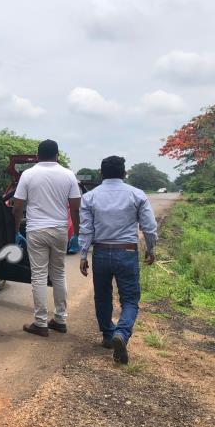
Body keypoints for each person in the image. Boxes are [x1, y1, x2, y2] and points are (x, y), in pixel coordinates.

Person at [78, 156, 157, 365]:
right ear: (125, 173)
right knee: (130, 299)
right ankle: (121, 333)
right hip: (127, 252)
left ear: (101, 173)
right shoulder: (137, 194)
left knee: (102, 296)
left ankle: (107, 335)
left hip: (101, 253)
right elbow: (148, 227)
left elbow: (86, 229)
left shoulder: (90, 197)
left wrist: (83, 254)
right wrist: (151, 249)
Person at [12, 139, 81, 337]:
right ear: (57, 155)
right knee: (58, 274)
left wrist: (16, 231)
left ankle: (40, 323)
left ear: (37, 155)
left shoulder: (28, 174)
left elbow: (18, 206)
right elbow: (75, 208)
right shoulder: (68, 175)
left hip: (36, 230)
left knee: (39, 276)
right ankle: (60, 319)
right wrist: (77, 233)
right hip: (60, 230)